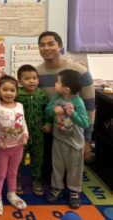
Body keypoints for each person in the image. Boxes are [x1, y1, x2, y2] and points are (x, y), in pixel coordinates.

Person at [37, 31, 95, 182]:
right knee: (49, 175)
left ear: (60, 46)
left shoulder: (80, 72)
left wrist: (87, 139)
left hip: (74, 130)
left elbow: (89, 107)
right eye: (42, 45)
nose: (46, 48)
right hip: (50, 130)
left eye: (51, 44)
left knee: (72, 173)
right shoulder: (36, 73)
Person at [45, 69, 89, 209]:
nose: (55, 84)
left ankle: (74, 191)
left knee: (74, 169)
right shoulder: (56, 97)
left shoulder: (78, 101)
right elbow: (48, 110)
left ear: (66, 89)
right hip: (59, 140)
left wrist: (73, 114)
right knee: (57, 166)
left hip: (75, 144)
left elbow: (85, 123)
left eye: (57, 82)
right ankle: (57, 188)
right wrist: (53, 110)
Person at [0, 75, 28, 216]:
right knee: (0, 173)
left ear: (16, 92)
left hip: (18, 147)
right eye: (5, 89)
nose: (8, 93)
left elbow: (23, 123)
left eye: (12, 90)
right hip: (3, 148)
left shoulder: (20, 106)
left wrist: (25, 135)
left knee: (13, 172)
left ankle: (11, 194)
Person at [16, 64, 49, 196]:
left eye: (34, 78)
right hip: (20, 135)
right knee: (19, 158)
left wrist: (48, 122)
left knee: (38, 158)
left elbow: (47, 111)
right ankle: (17, 179)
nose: (31, 81)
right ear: (19, 81)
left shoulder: (42, 95)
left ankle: (36, 178)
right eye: (27, 78)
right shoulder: (17, 95)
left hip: (38, 135)